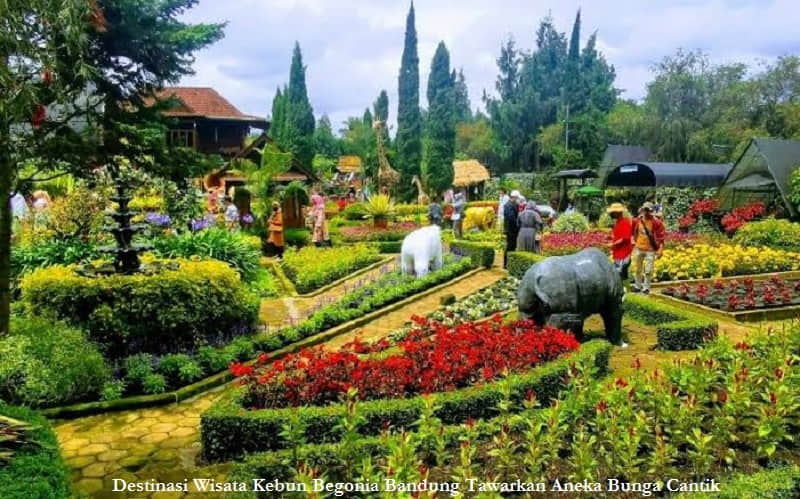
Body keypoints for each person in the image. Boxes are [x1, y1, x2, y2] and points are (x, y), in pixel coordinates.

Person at [631, 202, 665, 294]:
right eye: (645, 210)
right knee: (638, 269)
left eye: (648, 210)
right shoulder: (637, 221)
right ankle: (637, 285)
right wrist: (632, 242)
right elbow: (632, 232)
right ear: (642, 210)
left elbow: (661, 237)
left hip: (650, 249)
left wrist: (660, 249)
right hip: (639, 248)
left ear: (651, 211)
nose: (646, 212)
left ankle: (646, 287)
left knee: (648, 270)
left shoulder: (657, 222)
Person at [607, 203, 633, 281]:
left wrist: (612, 244)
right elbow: (619, 236)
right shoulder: (618, 222)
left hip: (623, 254)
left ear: (618, 213)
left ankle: (624, 290)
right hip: (618, 253)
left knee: (621, 274)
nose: (611, 214)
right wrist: (611, 237)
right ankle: (625, 289)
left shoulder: (625, 222)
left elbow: (624, 238)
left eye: (613, 212)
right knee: (621, 274)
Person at [503, 190, 521, 267]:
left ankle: (510, 263)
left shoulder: (513, 204)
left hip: (513, 229)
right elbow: (511, 218)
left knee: (513, 246)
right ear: (514, 197)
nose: (518, 200)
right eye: (517, 198)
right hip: (510, 229)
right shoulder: (508, 205)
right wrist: (517, 225)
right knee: (510, 246)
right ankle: (506, 264)